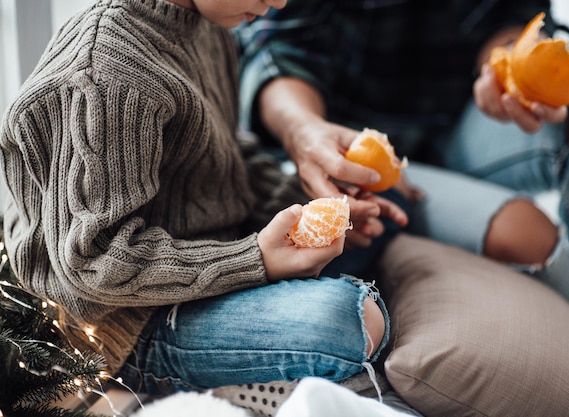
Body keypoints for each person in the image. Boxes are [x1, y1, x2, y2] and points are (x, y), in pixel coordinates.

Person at [0, 0, 391, 400]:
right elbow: (93, 262)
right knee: (350, 319)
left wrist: (308, 206)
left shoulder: (213, 25)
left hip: (206, 261)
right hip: (123, 322)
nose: (279, 3)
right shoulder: (107, 70)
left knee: (381, 230)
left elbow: (226, 160)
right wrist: (254, 260)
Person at [234, 0, 569, 396]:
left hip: (462, 124)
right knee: (526, 233)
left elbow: (512, 15)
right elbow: (277, 48)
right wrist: (305, 131)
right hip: (349, 146)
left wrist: (503, 65)